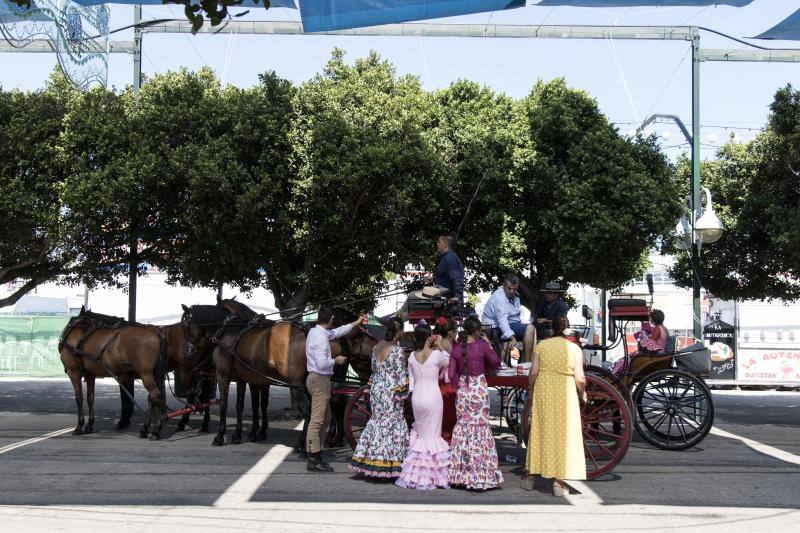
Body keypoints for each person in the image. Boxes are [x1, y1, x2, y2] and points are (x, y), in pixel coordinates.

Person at [523, 315, 586, 496]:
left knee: (539, 431)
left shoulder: (542, 346)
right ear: (567, 329)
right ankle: (558, 482)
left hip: (544, 388)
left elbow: (533, 372)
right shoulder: (574, 349)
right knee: (562, 435)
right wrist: (583, 393)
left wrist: (532, 389)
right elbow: (580, 378)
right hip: (565, 391)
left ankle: (529, 478)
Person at [305, 307, 368, 472]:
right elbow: (321, 363)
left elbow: (338, 332)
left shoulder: (317, 331)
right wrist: (336, 361)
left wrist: (356, 322)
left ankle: (316, 454)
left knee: (325, 418)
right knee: (318, 420)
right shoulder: (319, 337)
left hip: (319, 379)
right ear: (331, 320)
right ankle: (313, 457)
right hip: (319, 379)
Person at [349, 315, 410, 478]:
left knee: (377, 422)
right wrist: (405, 391)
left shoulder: (376, 347)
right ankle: (388, 464)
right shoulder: (397, 351)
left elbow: (374, 371)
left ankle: (371, 460)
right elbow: (401, 375)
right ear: (399, 331)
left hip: (377, 389)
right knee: (392, 424)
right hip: (391, 391)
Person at [447, 316, 504, 491]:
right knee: (480, 430)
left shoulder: (456, 348)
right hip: (479, 389)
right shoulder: (482, 346)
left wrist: (461, 385)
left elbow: (450, 375)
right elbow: (496, 363)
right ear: (478, 331)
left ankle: (461, 475)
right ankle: (480, 475)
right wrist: (489, 343)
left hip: (464, 391)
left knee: (464, 429)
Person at [396, 321, 452, 490]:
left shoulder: (412, 356)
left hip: (417, 399)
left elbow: (411, 381)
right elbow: (449, 362)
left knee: (421, 436)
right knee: (433, 436)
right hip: (433, 397)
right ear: (429, 337)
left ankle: (416, 473)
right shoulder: (436, 355)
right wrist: (441, 346)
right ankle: (433, 474)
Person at [482, 273, 537, 363]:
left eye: (514, 289)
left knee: (532, 328)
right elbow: (502, 321)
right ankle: (527, 363)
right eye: (509, 288)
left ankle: (528, 362)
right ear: (504, 285)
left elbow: (515, 318)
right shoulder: (500, 299)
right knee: (530, 329)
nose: (511, 291)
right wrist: (512, 337)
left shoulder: (516, 296)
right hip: (494, 326)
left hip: (507, 324)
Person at [611, 309, 668, 376]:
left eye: (651, 318)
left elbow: (651, 343)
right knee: (630, 357)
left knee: (627, 359)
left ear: (654, 319)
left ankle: (614, 372)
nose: (650, 320)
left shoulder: (658, 328)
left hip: (655, 354)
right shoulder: (664, 328)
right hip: (658, 353)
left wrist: (641, 339)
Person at [432, 234, 465, 304]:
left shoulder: (450, 258)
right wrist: (432, 279)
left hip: (444, 295)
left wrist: (457, 296)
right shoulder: (448, 257)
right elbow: (445, 278)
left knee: (412, 296)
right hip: (441, 293)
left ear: (444, 244)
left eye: (439, 242)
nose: (437, 244)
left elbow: (457, 277)